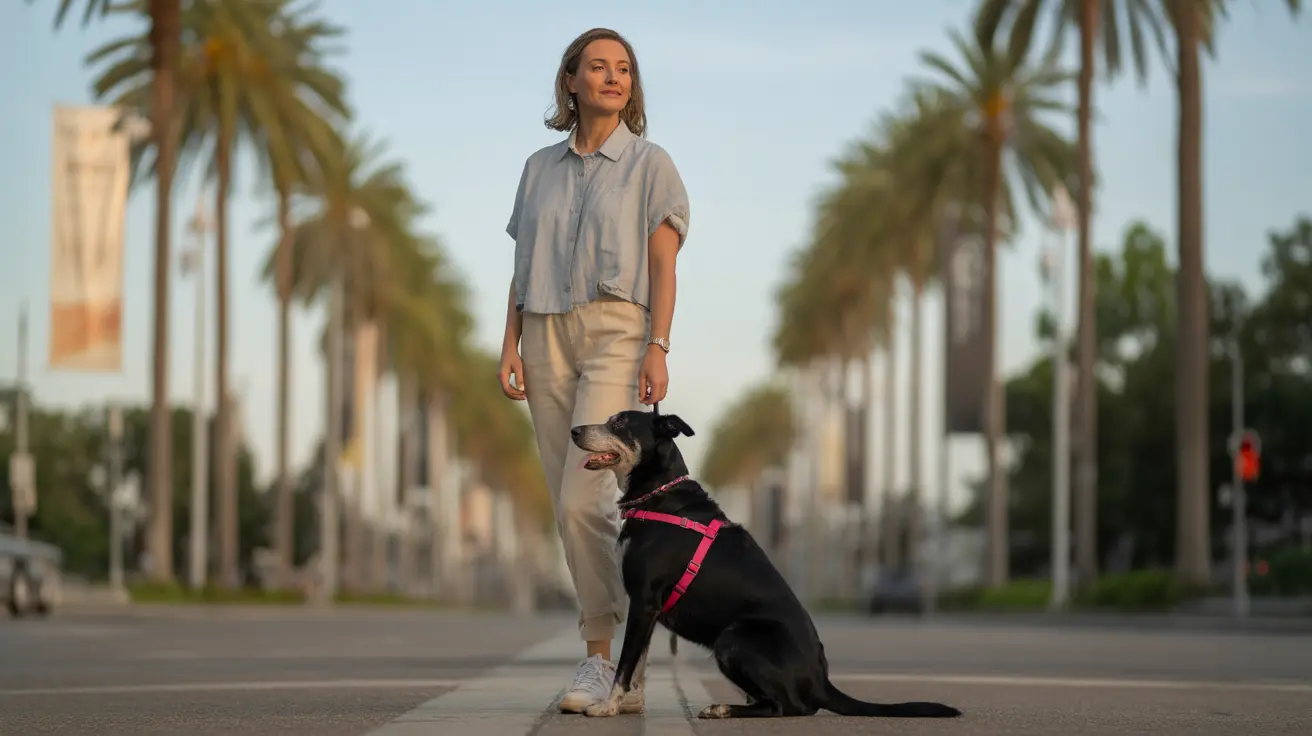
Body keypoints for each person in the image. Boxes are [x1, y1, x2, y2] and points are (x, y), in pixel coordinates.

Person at [497, 27, 690, 714]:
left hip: (617, 332)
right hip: (545, 336)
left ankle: (610, 663)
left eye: (625, 69)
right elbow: (521, 269)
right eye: (598, 67)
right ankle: (607, 663)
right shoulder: (536, 169)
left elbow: (664, 265)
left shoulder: (651, 165)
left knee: (587, 498)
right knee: (565, 507)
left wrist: (658, 344)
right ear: (570, 81)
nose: (613, 78)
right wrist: (511, 342)